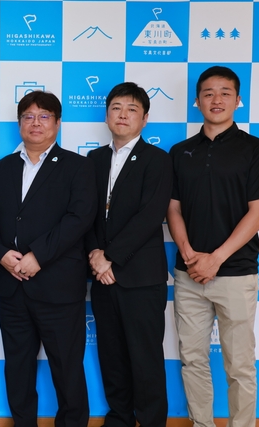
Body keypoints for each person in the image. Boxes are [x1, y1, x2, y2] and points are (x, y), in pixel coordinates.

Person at [167, 66, 259, 427]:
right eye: (208, 93)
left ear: (238, 100)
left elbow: (258, 213)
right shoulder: (180, 152)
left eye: (225, 92)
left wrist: (216, 258)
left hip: (236, 273)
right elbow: (173, 208)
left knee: (239, 364)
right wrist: (188, 253)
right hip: (189, 275)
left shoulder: (256, 149)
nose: (216, 99)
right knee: (193, 360)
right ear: (196, 101)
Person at [0, 90, 96, 427]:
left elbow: (79, 218)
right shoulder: (2, 168)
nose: (36, 122)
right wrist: (2, 254)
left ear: (57, 123)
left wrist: (38, 256)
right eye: (28, 116)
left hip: (57, 285)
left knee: (67, 367)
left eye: (44, 116)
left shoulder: (78, 166)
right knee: (17, 367)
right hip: (12, 284)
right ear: (19, 123)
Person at [85, 82, 173, 427]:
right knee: (112, 356)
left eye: (132, 109)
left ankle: (151, 421)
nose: (123, 115)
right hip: (102, 276)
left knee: (145, 358)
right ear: (107, 115)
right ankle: (119, 419)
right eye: (116, 108)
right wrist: (95, 253)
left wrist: (110, 256)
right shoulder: (94, 160)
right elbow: (85, 213)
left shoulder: (158, 160)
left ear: (145, 118)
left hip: (140, 277)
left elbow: (150, 215)